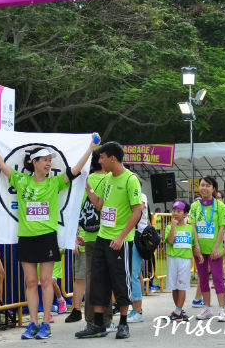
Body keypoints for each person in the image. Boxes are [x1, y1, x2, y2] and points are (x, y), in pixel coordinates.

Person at [0, 128, 98, 340]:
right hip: (26, 238)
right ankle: (33, 324)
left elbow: (75, 170)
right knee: (30, 282)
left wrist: (90, 147)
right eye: (44, 160)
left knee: (46, 280)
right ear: (34, 162)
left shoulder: (54, 182)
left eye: (50, 160)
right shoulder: (21, 180)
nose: (48, 163)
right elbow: (2, 166)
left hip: (47, 237)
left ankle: (46, 323)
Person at [75, 141, 143, 340]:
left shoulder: (130, 179)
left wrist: (121, 237)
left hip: (120, 241)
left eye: (102, 157)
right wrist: (87, 187)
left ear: (112, 158)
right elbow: (98, 205)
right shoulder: (107, 180)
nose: (100, 161)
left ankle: (123, 323)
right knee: (98, 280)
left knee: (121, 281)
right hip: (102, 238)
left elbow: (137, 211)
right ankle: (98, 324)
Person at [70, 151, 115, 331]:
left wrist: (74, 235)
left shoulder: (84, 181)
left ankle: (90, 320)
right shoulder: (110, 180)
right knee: (106, 279)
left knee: (90, 278)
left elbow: (75, 210)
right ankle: (106, 321)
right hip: (107, 235)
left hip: (87, 237)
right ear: (101, 161)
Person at [189, 176, 225, 321]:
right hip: (199, 249)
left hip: (214, 250)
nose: (204, 188)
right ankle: (207, 308)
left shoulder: (220, 206)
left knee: (218, 279)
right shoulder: (195, 206)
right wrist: (196, 247)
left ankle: (222, 310)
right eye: (202, 185)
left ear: (213, 189)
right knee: (203, 279)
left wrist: (216, 247)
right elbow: (193, 226)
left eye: (207, 185)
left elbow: (222, 227)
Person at [165, 200, 195, 321]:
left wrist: (199, 255)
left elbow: (194, 244)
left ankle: (178, 312)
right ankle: (179, 310)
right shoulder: (169, 227)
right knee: (174, 286)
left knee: (182, 286)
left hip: (185, 261)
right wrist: (173, 226)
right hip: (173, 259)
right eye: (174, 211)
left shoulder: (190, 228)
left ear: (185, 214)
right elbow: (170, 241)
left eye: (179, 211)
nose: (175, 213)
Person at [127, 177, 149, 323]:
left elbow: (138, 208)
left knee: (133, 274)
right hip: (129, 237)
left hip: (137, 238)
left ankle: (138, 310)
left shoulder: (141, 196)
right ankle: (135, 307)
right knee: (135, 274)